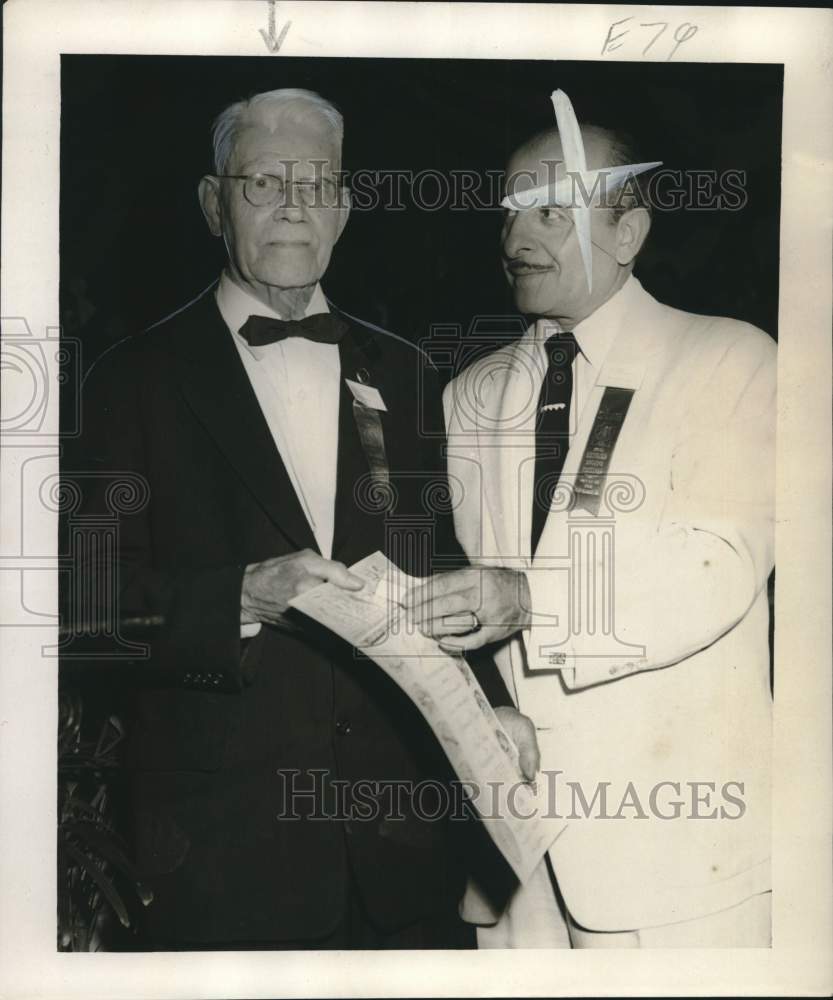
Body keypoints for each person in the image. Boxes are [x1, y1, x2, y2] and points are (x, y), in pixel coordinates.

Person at [65, 88, 537, 950]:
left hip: (403, 846)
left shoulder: (403, 369)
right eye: (262, 183)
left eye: (317, 184)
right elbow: (83, 610)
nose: (292, 205)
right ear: (214, 205)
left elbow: (429, 563)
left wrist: (494, 705)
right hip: (222, 861)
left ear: (346, 210)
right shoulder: (129, 379)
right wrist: (241, 595)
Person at [405, 118, 775, 947]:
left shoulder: (728, 359)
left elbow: (713, 565)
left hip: (676, 868)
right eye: (508, 214)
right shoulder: (467, 393)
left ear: (628, 229)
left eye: (547, 213)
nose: (513, 236)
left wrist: (528, 600)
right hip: (509, 865)